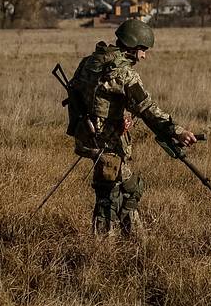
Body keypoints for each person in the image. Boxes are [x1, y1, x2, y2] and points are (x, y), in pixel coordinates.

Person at [68, 18, 196, 236]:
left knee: (119, 188)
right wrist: (178, 131)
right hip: (109, 143)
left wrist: (122, 116)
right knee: (116, 192)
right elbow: (148, 109)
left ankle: (133, 237)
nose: (144, 55)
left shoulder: (89, 62)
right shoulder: (125, 74)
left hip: (87, 136)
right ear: (132, 45)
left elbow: (81, 94)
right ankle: (111, 245)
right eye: (143, 49)